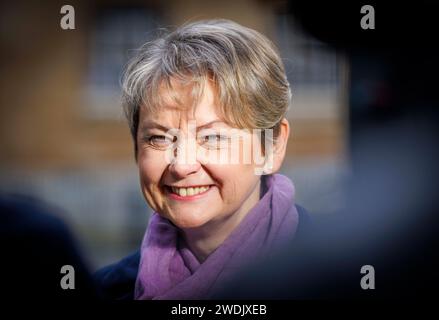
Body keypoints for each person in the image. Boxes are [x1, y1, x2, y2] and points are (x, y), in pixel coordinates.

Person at [94, 19, 309, 300]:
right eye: (159, 138)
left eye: (212, 138)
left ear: (272, 146)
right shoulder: (104, 291)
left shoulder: (341, 275)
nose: (182, 165)